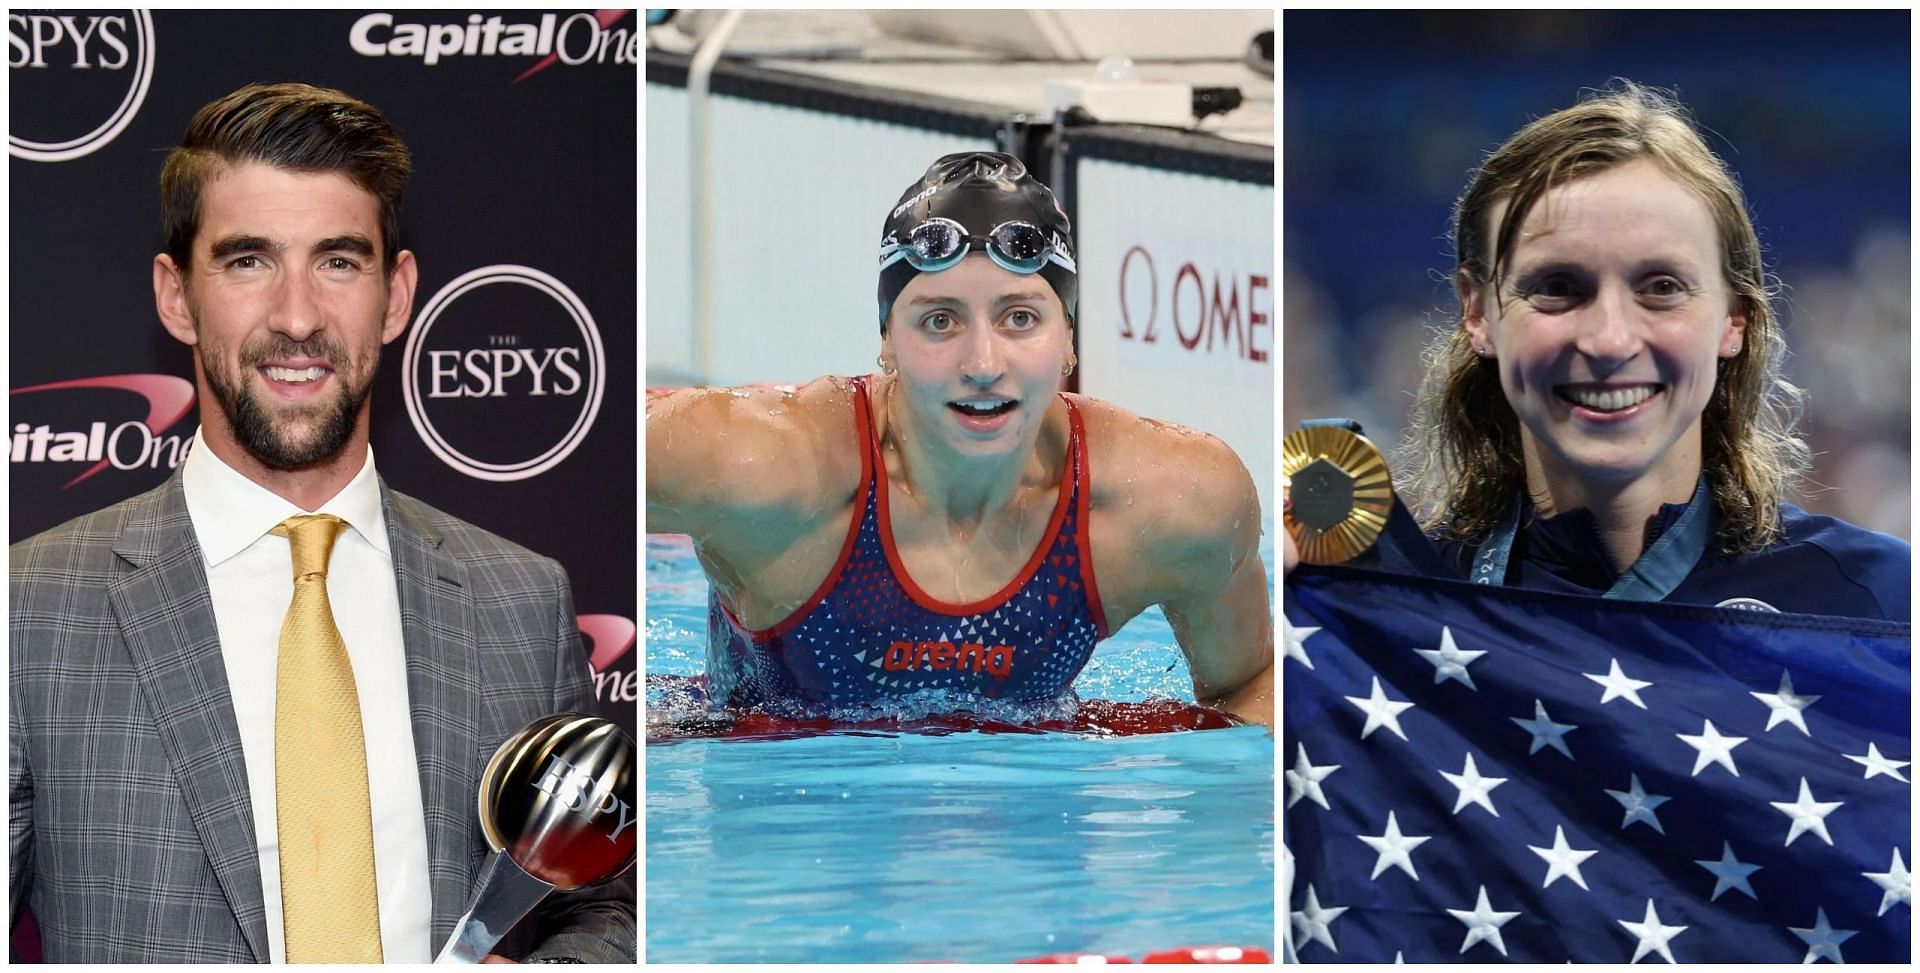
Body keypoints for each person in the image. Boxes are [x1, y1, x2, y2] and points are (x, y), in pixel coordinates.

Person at [8, 83, 633, 963]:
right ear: (177, 295)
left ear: (396, 293)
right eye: (247, 261)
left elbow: (605, 899)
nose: (297, 317)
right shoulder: (29, 610)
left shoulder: (519, 599)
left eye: (338, 261)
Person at [647, 152, 1273, 726]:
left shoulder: (1174, 500)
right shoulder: (760, 464)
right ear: (887, 339)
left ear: (1070, 339)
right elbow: (567, 457)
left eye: (1020, 318)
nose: (982, 363)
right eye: (939, 321)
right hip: (775, 797)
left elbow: (1252, 687)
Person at [1283, 81, 1909, 620]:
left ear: (1734, 320)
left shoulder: (1876, 603)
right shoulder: (1389, 611)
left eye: (1662, 288)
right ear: (1479, 313)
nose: (1610, 340)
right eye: (1557, 288)